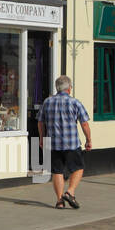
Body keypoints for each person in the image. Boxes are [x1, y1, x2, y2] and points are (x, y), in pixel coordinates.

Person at [38, 75, 92, 209]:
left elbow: (40, 122)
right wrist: (88, 140)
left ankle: (59, 201)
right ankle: (70, 192)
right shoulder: (75, 103)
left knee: (57, 171)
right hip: (71, 143)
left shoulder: (47, 102)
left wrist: (41, 138)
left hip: (54, 143)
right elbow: (84, 124)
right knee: (78, 168)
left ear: (57, 88)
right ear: (69, 88)